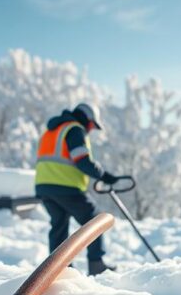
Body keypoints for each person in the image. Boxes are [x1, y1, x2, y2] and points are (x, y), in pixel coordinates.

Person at [34, 102, 121, 275]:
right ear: (86, 119)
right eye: (91, 126)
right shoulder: (74, 130)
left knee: (59, 226)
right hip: (65, 186)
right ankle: (97, 265)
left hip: (44, 187)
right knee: (94, 220)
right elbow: (81, 160)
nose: (90, 130)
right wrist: (104, 175)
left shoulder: (52, 131)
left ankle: (59, 270)